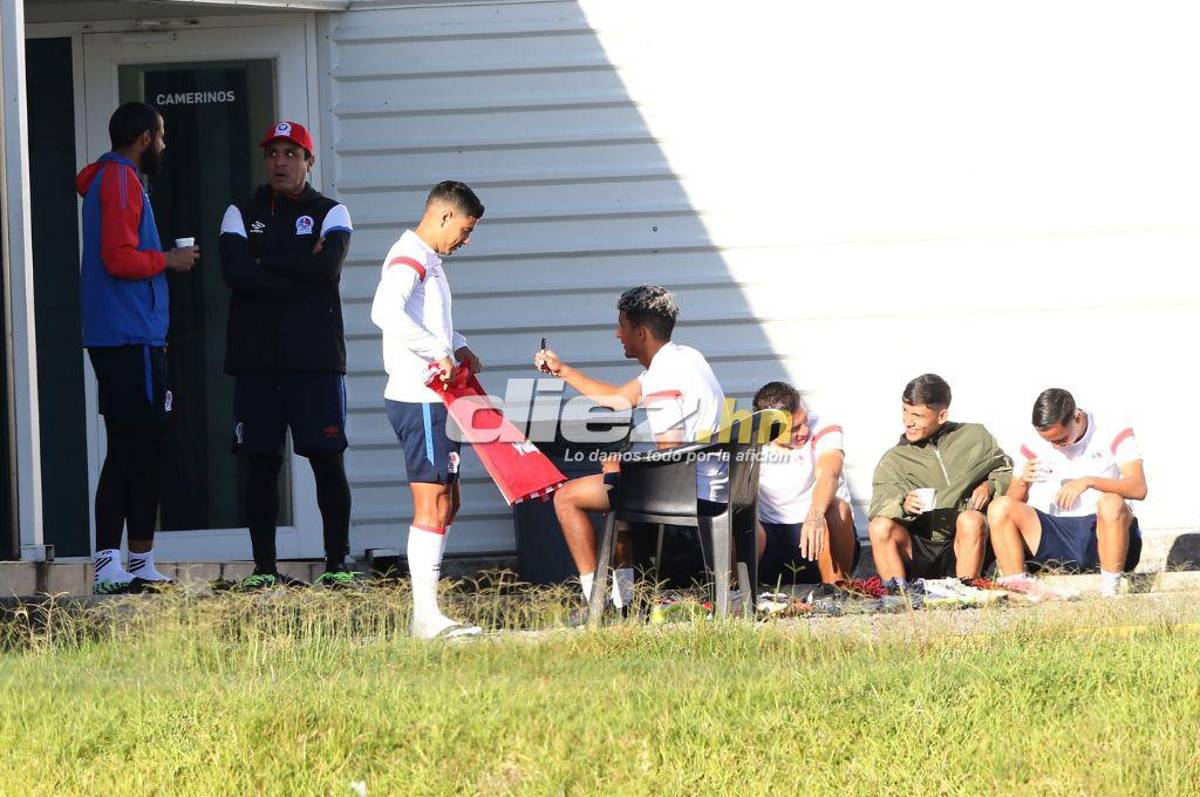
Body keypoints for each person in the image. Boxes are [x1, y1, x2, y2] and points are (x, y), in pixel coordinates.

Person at [219, 121, 356, 589]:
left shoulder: (332, 211)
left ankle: (337, 563)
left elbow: (326, 268)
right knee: (261, 465)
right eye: (273, 152)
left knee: (326, 461)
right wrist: (298, 269)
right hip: (257, 362)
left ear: (308, 161)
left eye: (291, 152)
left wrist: (265, 263)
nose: (280, 161)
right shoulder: (240, 211)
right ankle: (264, 569)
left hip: (315, 361)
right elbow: (235, 274)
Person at [535, 285, 728, 617]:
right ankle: (624, 603)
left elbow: (671, 456)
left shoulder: (665, 374)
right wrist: (563, 371)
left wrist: (620, 468)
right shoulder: (686, 357)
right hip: (710, 484)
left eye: (621, 326)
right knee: (617, 490)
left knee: (566, 497)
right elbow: (618, 399)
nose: (617, 334)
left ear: (639, 332)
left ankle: (597, 605)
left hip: (687, 492)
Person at [77, 101, 199, 594]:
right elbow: (119, 257)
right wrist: (170, 258)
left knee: (139, 447)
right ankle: (112, 564)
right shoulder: (122, 180)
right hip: (130, 336)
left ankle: (137, 561)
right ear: (145, 137)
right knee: (134, 449)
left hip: (123, 334)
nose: (165, 145)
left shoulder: (111, 180)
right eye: (162, 135)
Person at [369, 181, 486, 639]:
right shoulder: (410, 256)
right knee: (433, 503)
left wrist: (457, 346)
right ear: (443, 217)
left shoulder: (431, 259)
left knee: (449, 501)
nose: (467, 239)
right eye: (465, 228)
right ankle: (425, 618)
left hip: (439, 398)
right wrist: (436, 354)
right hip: (419, 397)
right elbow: (385, 311)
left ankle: (428, 609)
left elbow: (427, 321)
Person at [987, 388, 1147, 599]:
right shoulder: (1034, 442)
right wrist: (1024, 481)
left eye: (1062, 440)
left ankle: (1110, 592)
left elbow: (1139, 488)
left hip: (1104, 531)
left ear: (1077, 417)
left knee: (1110, 502)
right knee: (999, 507)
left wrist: (1089, 481)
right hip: (1057, 531)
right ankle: (1020, 590)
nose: (1055, 446)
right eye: (1049, 442)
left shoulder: (1112, 430)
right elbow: (1011, 506)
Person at [868, 374, 1012, 585]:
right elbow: (878, 508)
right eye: (905, 411)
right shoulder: (894, 459)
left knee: (971, 519)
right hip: (917, 547)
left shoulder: (975, 436)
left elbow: (1005, 470)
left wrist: (989, 486)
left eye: (917, 415)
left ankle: (967, 591)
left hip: (962, 542)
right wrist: (903, 505)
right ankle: (898, 595)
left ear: (942, 415)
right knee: (879, 527)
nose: (908, 421)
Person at [752, 381, 860, 589]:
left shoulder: (823, 426)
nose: (804, 431)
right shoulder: (752, 438)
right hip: (774, 539)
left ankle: (835, 591)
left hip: (821, 534)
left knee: (837, 508)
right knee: (735, 519)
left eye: (804, 420)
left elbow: (828, 473)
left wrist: (815, 514)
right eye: (794, 429)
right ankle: (734, 596)